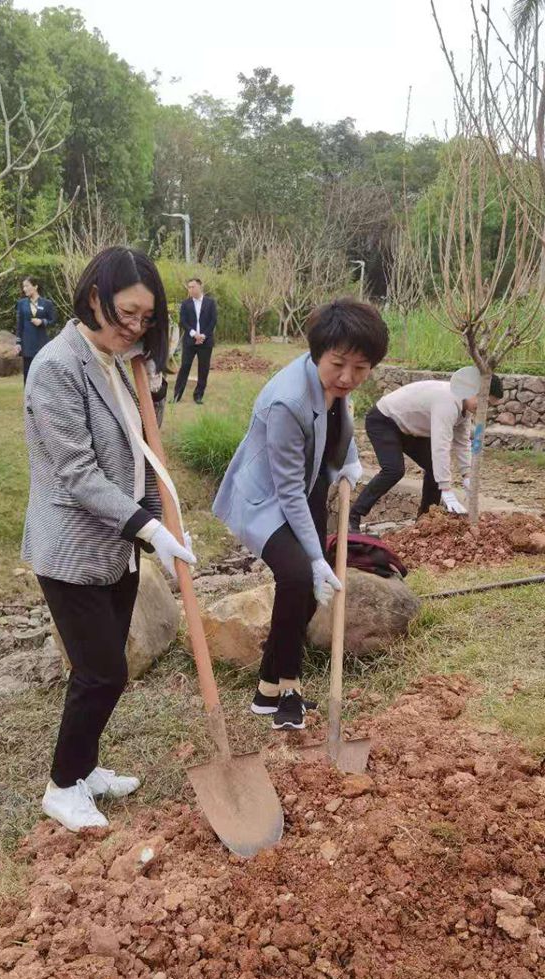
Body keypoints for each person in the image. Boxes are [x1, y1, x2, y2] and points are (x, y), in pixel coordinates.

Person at [22, 247, 196, 832]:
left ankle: (86, 769)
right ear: (94, 297)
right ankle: (61, 787)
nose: (136, 328)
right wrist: (148, 527)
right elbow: (78, 472)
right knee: (101, 673)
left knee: (105, 667)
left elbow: (136, 453)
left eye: (147, 319)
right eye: (127, 314)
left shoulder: (117, 361)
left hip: (114, 548)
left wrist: (163, 525)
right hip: (70, 550)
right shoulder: (56, 366)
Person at [213, 298, 389, 730]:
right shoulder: (286, 401)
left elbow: (339, 414)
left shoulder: (333, 382)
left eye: (361, 368)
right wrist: (313, 558)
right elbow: (286, 490)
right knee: (297, 577)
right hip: (265, 499)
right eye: (339, 365)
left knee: (309, 590)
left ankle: (267, 691)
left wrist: (348, 460)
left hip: (307, 484)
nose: (348, 377)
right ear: (318, 354)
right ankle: (288, 688)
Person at [349, 374, 504, 530]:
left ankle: (426, 518)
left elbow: (463, 443)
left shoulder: (465, 408)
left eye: (490, 405)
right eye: (486, 402)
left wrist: (468, 475)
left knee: (433, 467)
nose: (485, 408)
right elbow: (441, 446)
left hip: (410, 428)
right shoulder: (448, 401)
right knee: (393, 470)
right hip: (384, 420)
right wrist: (446, 489)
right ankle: (354, 515)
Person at [173, 277, 217, 404]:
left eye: (193, 287)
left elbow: (213, 321)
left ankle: (198, 396)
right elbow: (183, 321)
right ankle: (177, 395)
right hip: (190, 341)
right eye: (189, 287)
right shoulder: (186, 304)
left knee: (203, 369)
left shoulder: (210, 303)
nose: (190, 289)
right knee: (185, 367)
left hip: (205, 341)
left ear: (200, 287)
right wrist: (194, 334)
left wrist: (203, 335)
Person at [15, 277, 56, 381]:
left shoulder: (47, 303)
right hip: (27, 343)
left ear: (35, 286)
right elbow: (19, 324)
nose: (24, 289)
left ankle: (42, 396)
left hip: (41, 343)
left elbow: (53, 320)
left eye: (27, 286)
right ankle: (28, 396)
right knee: (28, 374)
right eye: (23, 286)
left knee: (42, 373)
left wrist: (42, 322)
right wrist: (18, 342)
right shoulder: (21, 303)